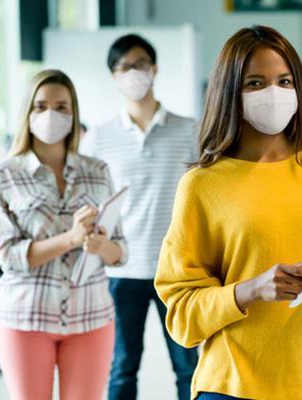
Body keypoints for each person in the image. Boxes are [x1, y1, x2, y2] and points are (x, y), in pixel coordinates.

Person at [154, 26, 302, 400]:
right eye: (255, 83)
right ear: (230, 91)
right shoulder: (202, 184)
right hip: (231, 388)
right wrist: (248, 291)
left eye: (284, 81)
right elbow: (181, 312)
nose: (273, 93)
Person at [0, 69, 127, 400]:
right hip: (25, 319)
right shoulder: (4, 174)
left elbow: (121, 252)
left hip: (91, 317)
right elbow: (9, 257)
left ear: (74, 114)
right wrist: (71, 238)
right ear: (28, 113)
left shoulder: (97, 171)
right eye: (41, 106)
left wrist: (101, 244)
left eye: (62, 106)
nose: (52, 114)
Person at [78, 34, 199, 400]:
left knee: (187, 368)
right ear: (114, 77)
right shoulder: (98, 137)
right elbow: (86, 200)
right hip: (120, 271)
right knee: (122, 368)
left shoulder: (190, 129)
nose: (134, 73)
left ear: (155, 68)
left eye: (141, 64)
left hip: (176, 270)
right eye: (124, 67)